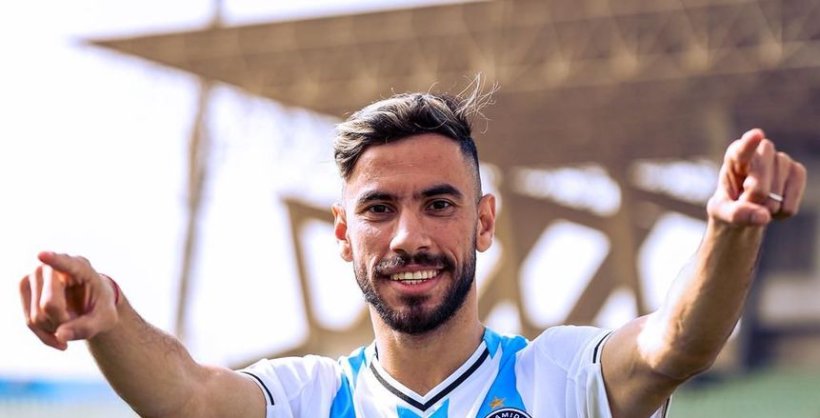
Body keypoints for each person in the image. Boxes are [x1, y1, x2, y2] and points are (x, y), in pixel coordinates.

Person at [19, 87, 807, 418]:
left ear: (484, 222)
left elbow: (675, 343)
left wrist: (729, 230)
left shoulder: (560, 380)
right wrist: (108, 317)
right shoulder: (306, 397)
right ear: (342, 233)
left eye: (439, 204)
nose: (409, 237)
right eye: (378, 208)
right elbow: (190, 399)